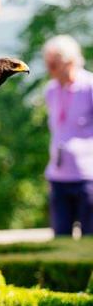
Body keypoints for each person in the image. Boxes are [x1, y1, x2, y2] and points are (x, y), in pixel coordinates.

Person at [43, 35, 93, 236]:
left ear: (70, 61)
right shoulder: (51, 91)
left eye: (54, 64)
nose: (49, 69)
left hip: (88, 176)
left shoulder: (89, 87)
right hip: (58, 175)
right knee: (60, 238)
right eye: (47, 63)